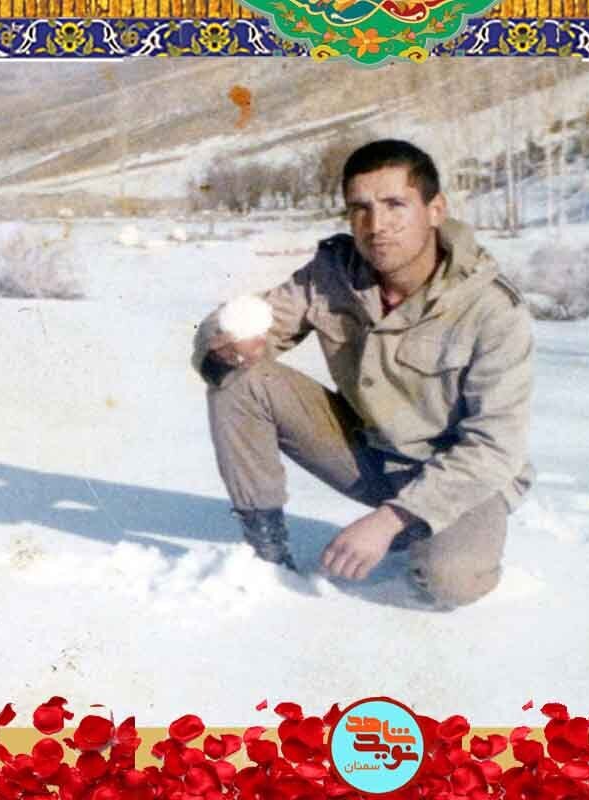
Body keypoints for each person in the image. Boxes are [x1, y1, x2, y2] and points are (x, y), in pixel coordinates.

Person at [191, 139, 534, 608]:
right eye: (360, 209)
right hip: (370, 454)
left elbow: (495, 448)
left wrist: (391, 519)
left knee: (451, 580)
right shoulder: (332, 274)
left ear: (435, 210)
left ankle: (422, 533)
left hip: (458, 476)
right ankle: (265, 552)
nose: (376, 226)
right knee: (240, 377)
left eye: (395, 205)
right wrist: (226, 342)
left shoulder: (492, 307)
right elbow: (250, 322)